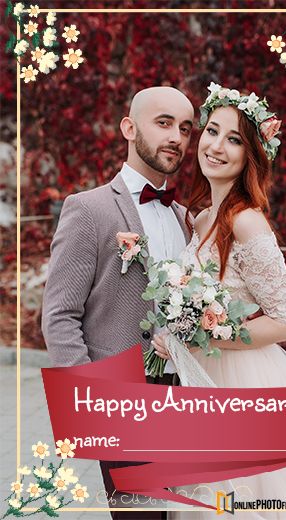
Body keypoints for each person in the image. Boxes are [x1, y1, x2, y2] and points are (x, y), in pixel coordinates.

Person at [152, 84, 286, 519]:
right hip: (200, 382)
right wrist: (176, 334)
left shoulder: (247, 222)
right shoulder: (201, 218)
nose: (216, 146)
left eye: (234, 139)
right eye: (212, 131)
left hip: (245, 382)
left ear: (250, 155)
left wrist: (203, 335)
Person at [42, 86, 194, 520]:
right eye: (163, 123)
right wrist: (94, 405)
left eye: (185, 129)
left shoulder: (187, 218)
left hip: (185, 394)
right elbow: (59, 315)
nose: (177, 138)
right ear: (129, 128)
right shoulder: (88, 210)